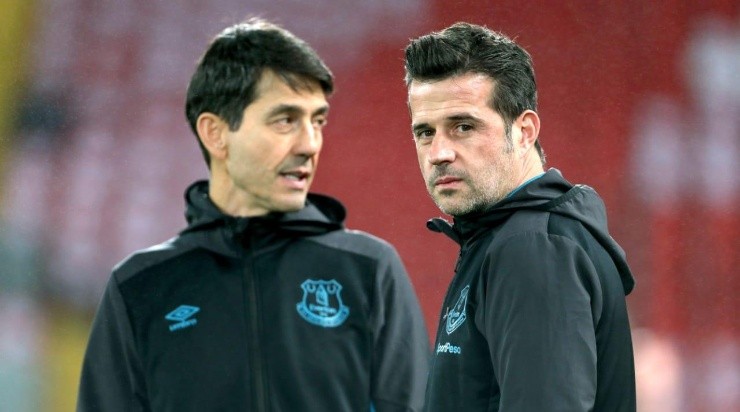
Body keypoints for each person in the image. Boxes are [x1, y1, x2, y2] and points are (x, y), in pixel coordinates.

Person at [77, 19, 429, 412]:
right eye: (285, 120)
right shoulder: (139, 288)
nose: (310, 144)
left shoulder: (368, 270)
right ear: (215, 134)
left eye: (317, 121)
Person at [404, 22, 636, 411]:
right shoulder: (510, 239)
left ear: (524, 131)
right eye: (425, 132)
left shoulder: (533, 250)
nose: (438, 153)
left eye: (463, 126)